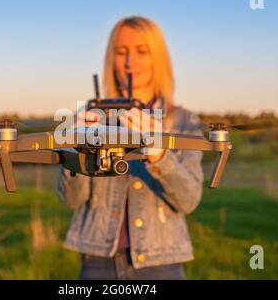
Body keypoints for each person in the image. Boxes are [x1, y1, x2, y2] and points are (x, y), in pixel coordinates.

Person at [56, 16, 204, 280]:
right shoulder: (88, 117)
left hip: (161, 262)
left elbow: (189, 199)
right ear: (109, 59)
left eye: (141, 51)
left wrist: (159, 154)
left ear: (158, 58)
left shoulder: (183, 121)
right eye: (120, 52)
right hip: (98, 260)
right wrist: (75, 152)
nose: (129, 63)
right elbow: (71, 199)